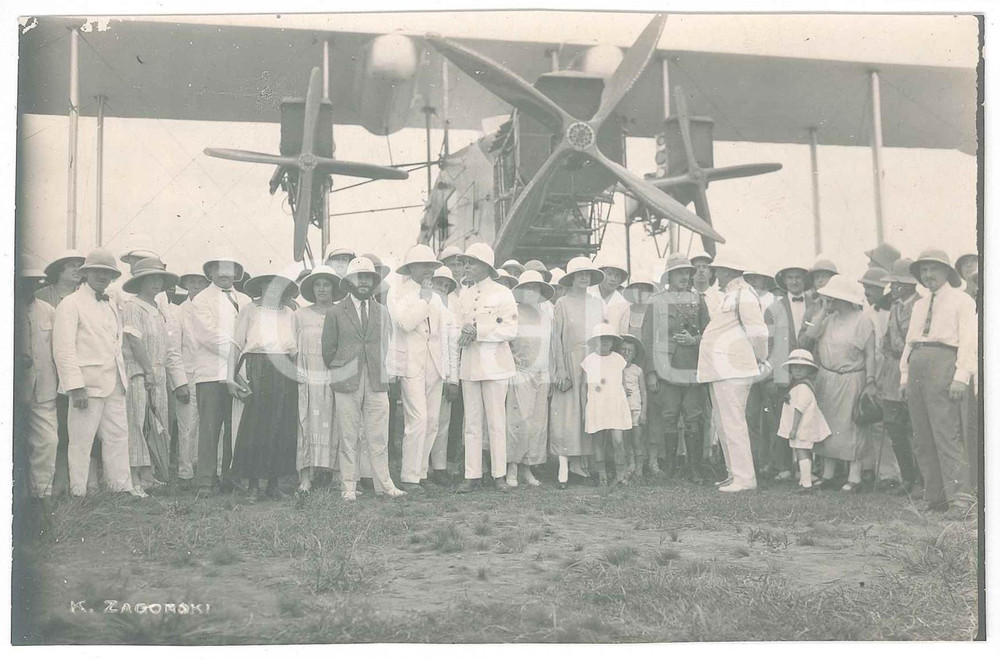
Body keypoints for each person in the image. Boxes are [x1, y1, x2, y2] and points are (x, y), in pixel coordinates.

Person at [52, 248, 140, 497]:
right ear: (86, 273)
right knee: (81, 441)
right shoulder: (70, 304)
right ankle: (78, 492)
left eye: (108, 273)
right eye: (97, 271)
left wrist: (121, 379)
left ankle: (120, 488)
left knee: (118, 436)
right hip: (86, 385)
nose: (103, 276)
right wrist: (75, 386)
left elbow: (114, 344)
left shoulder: (110, 303)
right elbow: (64, 348)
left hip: (115, 383)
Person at [323, 257, 406, 501]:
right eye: (359, 277)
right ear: (349, 281)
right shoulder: (335, 312)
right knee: (348, 435)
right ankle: (349, 485)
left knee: (378, 435)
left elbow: (387, 346)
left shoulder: (382, 312)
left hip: (376, 380)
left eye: (368, 278)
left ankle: (385, 485)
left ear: (373, 282)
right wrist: (342, 368)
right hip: (347, 381)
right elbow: (328, 350)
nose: (363, 282)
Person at [900, 249, 976, 514]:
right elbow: (910, 342)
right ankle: (934, 497)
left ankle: (960, 499)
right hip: (918, 363)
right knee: (922, 435)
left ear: (946, 272)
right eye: (924, 270)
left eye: (933, 268)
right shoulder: (919, 305)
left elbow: (969, 340)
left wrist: (961, 376)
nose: (928, 274)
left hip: (944, 362)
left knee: (947, 433)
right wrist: (904, 376)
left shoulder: (961, 300)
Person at [697, 247, 769, 493]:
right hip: (720, 368)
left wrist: (759, 358)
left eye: (718, 270)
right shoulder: (729, 295)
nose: (715, 274)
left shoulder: (744, 294)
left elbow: (758, 333)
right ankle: (733, 474)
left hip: (734, 369)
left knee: (733, 423)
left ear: (728, 271)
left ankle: (745, 478)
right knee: (724, 423)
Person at [228, 271, 300, 500]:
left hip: (283, 370)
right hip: (256, 367)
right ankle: (252, 485)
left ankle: (273, 484)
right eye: (267, 286)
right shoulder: (250, 310)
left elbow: (294, 350)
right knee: (255, 426)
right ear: (260, 288)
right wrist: (230, 377)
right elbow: (236, 345)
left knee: (280, 425)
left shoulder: (289, 313)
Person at [387, 244, 452, 494]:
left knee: (432, 420)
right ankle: (409, 476)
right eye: (424, 265)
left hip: (434, 364)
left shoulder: (436, 297)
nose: (428, 270)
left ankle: (421, 471)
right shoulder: (398, 294)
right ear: (411, 268)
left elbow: (445, 330)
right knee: (418, 419)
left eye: (431, 266)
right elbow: (405, 323)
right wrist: (423, 300)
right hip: (411, 364)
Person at [121, 258, 189, 493]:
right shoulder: (132, 306)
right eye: (150, 278)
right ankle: (133, 477)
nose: (156, 283)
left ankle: (148, 473)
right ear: (140, 281)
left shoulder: (159, 310)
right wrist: (147, 371)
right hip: (138, 372)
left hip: (158, 374)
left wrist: (160, 374)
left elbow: (166, 347)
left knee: (154, 423)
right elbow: (133, 340)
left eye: (159, 278)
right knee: (136, 421)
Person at [803, 274, 877, 493]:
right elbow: (810, 334)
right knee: (827, 426)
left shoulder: (863, 320)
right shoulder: (828, 318)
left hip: (851, 377)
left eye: (832, 297)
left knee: (852, 427)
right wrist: (823, 311)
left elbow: (870, 354)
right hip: (827, 378)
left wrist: (870, 381)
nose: (829, 300)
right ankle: (828, 474)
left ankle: (855, 477)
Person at [454, 243, 518, 493]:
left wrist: (478, 332)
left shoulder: (503, 293)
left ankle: (499, 474)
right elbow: (457, 327)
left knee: (496, 421)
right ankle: (472, 474)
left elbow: (510, 330)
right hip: (470, 364)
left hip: (496, 366)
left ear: (485, 266)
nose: (466, 266)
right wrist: (463, 332)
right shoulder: (464, 294)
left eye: (471, 262)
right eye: (465, 262)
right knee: (471, 422)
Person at [642, 254, 711, 481]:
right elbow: (647, 339)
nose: (684, 276)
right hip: (666, 369)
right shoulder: (656, 300)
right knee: (669, 416)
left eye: (687, 272)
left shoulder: (698, 299)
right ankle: (671, 467)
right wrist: (651, 372)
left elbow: (709, 334)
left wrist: (694, 340)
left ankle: (695, 468)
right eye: (679, 272)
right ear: (669, 276)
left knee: (694, 416)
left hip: (692, 368)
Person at [189, 257, 251, 496]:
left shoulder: (244, 300)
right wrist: (239, 352)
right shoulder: (201, 299)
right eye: (219, 269)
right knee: (210, 429)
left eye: (230, 269)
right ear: (211, 272)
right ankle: (205, 481)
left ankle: (230, 478)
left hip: (239, 373)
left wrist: (241, 362)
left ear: (236, 272)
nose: (225, 274)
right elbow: (208, 336)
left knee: (235, 428)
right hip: (211, 374)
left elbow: (252, 332)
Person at [549, 257, 606, 487]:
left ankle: (581, 466)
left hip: (592, 362)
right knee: (567, 414)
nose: (584, 277)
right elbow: (556, 338)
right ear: (571, 278)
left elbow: (602, 335)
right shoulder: (562, 303)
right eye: (579, 274)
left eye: (587, 274)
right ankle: (563, 466)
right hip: (569, 362)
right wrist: (561, 369)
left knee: (588, 411)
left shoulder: (597, 303)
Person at [34, 249, 86, 496]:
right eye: (71, 265)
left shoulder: (85, 296)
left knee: (70, 429)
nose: (77, 270)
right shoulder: (41, 296)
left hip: (76, 373)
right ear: (59, 270)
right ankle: (47, 483)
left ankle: (68, 481)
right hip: (46, 373)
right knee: (48, 430)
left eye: (79, 266)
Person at [764, 263, 821, 482]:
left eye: (798, 277)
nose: (795, 281)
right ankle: (783, 467)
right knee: (782, 420)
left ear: (805, 281)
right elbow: (769, 344)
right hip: (783, 371)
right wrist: (772, 375)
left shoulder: (816, 306)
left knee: (808, 419)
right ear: (784, 281)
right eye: (790, 278)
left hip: (809, 370)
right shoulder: (773, 309)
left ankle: (805, 468)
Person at [294, 266, 341, 494]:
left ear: (333, 288)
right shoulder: (300, 315)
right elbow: (292, 345)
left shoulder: (341, 312)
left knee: (335, 421)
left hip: (333, 373)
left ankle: (335, 476)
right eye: (317, 285)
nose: (322, 289)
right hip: (308, 374)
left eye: (326, 284)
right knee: (306, 420)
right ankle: (305, 478)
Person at [505, 270, 554, 488]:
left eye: (536, 288)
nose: (532, 292)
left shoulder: (546, 314)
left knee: (537, 423)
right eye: (528, 288)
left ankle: (528, 467)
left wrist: (550, 372)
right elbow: (507, 343)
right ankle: (512, 467)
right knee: (519, 422)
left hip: (542, 373)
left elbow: (551, 345)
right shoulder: (514, 313)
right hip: (521, 372)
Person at [877, 258, 921, 494]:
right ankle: (907, 479)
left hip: (914, 371)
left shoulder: (921, 305)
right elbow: (886, 339)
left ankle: (923, 480)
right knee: (894, 427)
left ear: (911, 284)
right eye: (892, 283)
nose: (893, 287)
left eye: (898, 283)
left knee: (916, 427)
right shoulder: (895, 306)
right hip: (893, 371)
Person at [17, 268, 59, 499]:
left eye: (33, 282)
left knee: (48, 441)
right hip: (13, 389)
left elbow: (58, 349)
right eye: (24, 281)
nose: (28, 286)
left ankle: (41, 493)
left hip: (43, 387)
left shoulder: (48, 311)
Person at [858, 266, 901, 487]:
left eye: (872, 288)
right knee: (875, 423)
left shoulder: (892, 310)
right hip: (873, 371)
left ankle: (898, 473)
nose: (867, 292)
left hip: (892, 371)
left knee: (895, 424)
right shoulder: (868, 312)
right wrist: (872, 378)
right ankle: (883, 473)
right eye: (865, 287)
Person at [169, 272, 209, 488]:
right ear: (184, 284)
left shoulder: (212, 309)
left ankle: (209, 472)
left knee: (210, 427)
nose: (196, 285)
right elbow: (173, 350)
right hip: (188, 376)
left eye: (201, 282)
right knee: (187, 426)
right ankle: (185, 473)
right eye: (191, 281)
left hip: (211, 376)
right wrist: (179, 382)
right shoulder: (178, 312)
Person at [581, 324, 632, 486]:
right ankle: (602, 475)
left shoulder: (618, 359)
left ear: (613, 342)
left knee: (618, 440)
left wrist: (625, 402)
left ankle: (621, 474)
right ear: (595, 342)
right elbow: (584, 388)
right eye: (601, 339)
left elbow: (623, 383)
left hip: (615, 404)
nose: (605, 342)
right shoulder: (589, 361)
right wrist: (584, 410)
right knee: (598, 441)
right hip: (597, 405)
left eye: (608, 339)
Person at [776, 349, 832, 493]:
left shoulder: (802, 387)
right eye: (794, 367)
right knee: (803, 451)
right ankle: (804, 479)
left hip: (802, 426)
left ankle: (806, 484)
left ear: (809, 370)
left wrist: (794, 428)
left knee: (801, 451)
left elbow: (799, 409)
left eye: (802, 367)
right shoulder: (798, 385)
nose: (798, 370)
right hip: (803, 425)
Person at [427, 266, 462, 484]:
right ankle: (420, 469)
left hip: (444, 376)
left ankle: (439, 468)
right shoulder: (421, 310)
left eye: (446, 285)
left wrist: (453, 380)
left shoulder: (450, 316)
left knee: (442, 422)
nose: (442, 288)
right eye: (438, 283)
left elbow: (453, 349)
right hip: (422, 376)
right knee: (423, 422)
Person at [619, 334, 647, 482]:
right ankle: (629, 467)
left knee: (637, 440)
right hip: (621, 410)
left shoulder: (637, 370)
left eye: (630, 351)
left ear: (634, 354)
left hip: (635, 409)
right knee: (625, 440)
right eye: (623, 350)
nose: (626, 353)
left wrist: (644, 412)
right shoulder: (616, 369)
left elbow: (643, 392)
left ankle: (639, 470)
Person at [589, 256, 630, 334]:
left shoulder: (623, 304)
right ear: (601, 275)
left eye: (617, 275)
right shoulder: (587, 295)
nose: (613, 279)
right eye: (609, 274)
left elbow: (623, 333)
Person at [690, 251, 721, 318]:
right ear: (691, 274)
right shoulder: (685, 297)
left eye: (705, 267)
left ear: (711, 274)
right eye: (697, 267)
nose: (701, 270)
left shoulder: (720, 298)